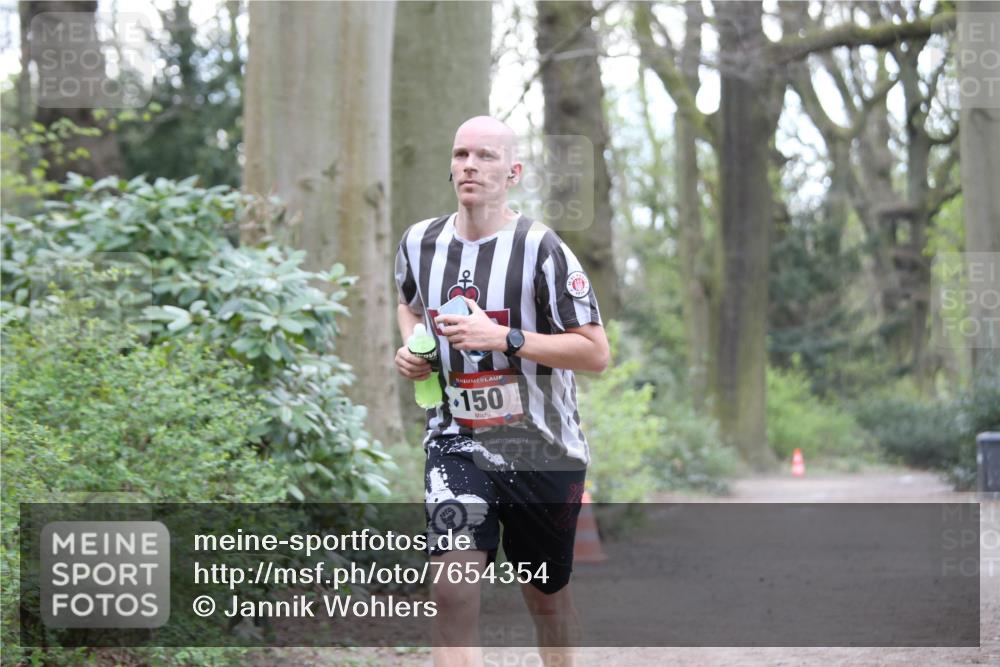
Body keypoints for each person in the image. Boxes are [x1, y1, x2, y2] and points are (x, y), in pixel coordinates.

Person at [393, 115, 609, 667]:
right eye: (461, 154)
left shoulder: (542, 249)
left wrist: (505, 338)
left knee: (546, 600)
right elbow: (409, 304)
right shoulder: (419, 242)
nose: (470, 165)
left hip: (541, 449)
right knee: (451, 591)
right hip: (457, 441)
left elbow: (595, 353)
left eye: (485, 156)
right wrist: (415, 349)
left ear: (513, 172)